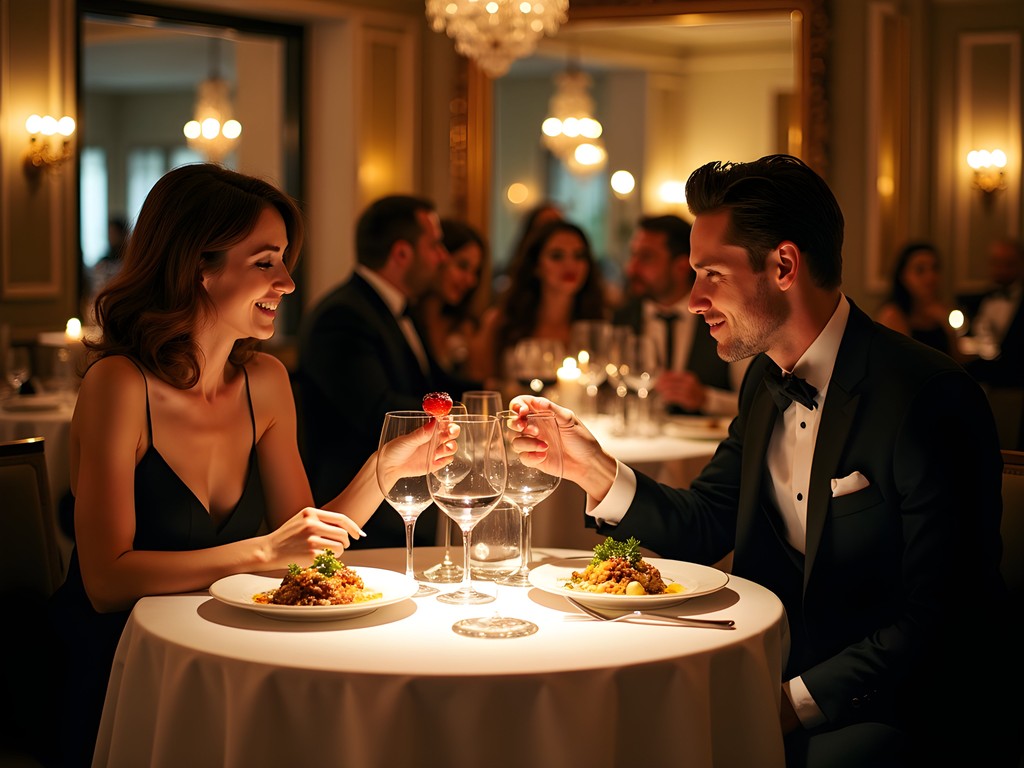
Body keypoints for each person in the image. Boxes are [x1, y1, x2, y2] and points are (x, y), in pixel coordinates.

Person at [508, 154, 1018, 767]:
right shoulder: (763, 382)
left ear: (783, 265)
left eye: (710, 274)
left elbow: (943, 618)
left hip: (896, 707)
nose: (693, 299)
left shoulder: (926, 397)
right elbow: (703, 525)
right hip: (765, 673)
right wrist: (590, 467)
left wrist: (785, 704)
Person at [48, 164, 457, 767]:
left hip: (228, 651)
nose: (289, 282)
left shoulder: (264, 382)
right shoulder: (119, 385)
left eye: (285, 260)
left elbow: (307, 545)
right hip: (118, 667)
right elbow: (106, 584)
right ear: (198, 268)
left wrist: (386, 467)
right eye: (266, 262)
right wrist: (261, 553)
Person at [296, 195, 478, 549]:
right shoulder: (343, 316)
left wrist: (490, 394)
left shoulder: (394, 308)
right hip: (365, 513)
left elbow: (432, 385)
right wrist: (470, 421)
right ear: (401, 254)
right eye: (435, 245)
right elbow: (380, 411)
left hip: (402, 491)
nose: (442, 257)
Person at [613, 213, 748, 416]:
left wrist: (706, 399)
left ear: (681, 265)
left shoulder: (723, 318)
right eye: (633, 255)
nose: (631, 268)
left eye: (646, 257)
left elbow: (754, 408)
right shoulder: (621, 319)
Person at [467, 218, 606, 388]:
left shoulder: (598, 323)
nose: (570, 265)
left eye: (579, 256)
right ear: (536, 266)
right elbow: (479, 387)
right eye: (557, 256)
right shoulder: (499, 321)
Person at [411, 218, 487, 377]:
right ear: (438, 257)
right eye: (462, 266)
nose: (471, 280)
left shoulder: (465, 326)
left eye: (475, 272)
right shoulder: (406, 317)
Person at [874, 241, 961, 359]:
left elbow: (957, 359)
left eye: (935, 268)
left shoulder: (942, 309)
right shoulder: (893, 315)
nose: (930, 277)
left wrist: (948, 326)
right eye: (920, 270)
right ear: (903, 276)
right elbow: (904, 364)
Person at [964, 236, 1024, 387]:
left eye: (1008, 263)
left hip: (1015, 386)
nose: (1001, 269)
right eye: (996, 263)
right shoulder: (976, 301)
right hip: (978, 384)